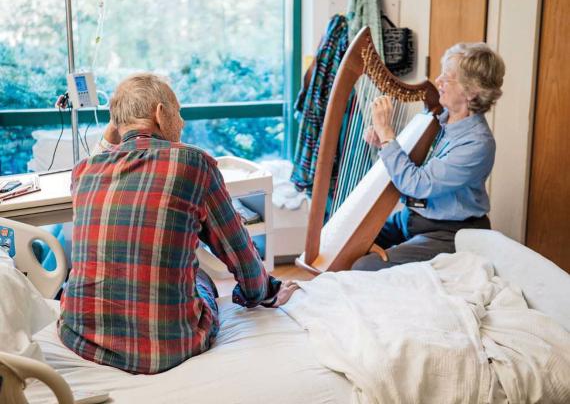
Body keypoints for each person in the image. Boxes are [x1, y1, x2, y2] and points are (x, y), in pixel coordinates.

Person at [58, 73, 298, 374]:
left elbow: (106, 147)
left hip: (82, 336)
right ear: (160, 114)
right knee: (201, 279)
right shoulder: (194, 164)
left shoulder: (83, 172)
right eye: (178, 111)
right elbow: (240, 254)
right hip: (168, 345)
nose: (182, 122)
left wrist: (118, 121)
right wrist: (265, 293)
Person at [352, 42, 505, 271]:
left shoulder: (477, 144)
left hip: (448, 232)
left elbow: (416, 184)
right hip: (410, 219)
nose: (438, 80)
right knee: (349, 241)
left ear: (472, 91)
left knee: (364, 267)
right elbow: (405, 165)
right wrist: (382, 142)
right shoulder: (437, 121)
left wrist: (386, 134)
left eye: (448, 76)